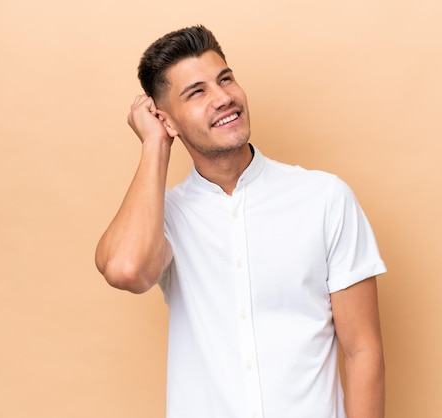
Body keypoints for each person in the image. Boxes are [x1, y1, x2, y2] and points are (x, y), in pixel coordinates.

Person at [95, 25, 387, 418]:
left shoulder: (325, 198)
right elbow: (126, 269)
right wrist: (153, 145)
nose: (223, 98)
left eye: (225, 79)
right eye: (197, 92)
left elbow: (362, 349)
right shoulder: (165, 218)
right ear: (167, 121)